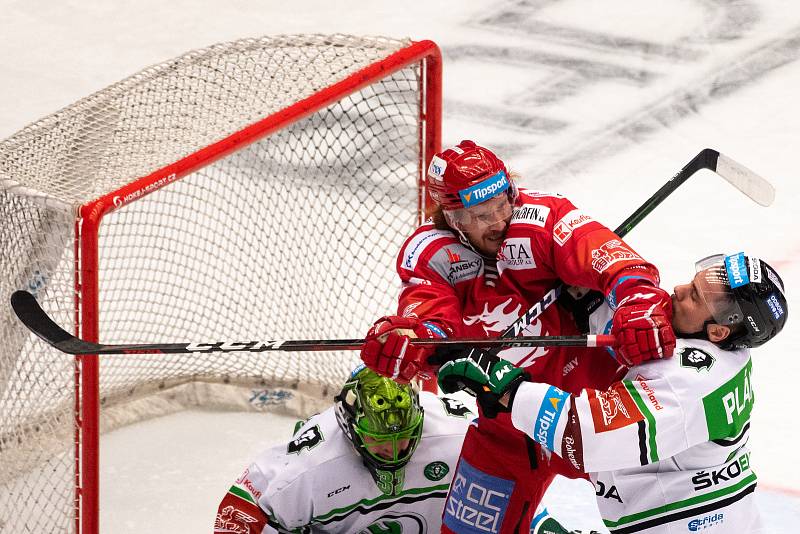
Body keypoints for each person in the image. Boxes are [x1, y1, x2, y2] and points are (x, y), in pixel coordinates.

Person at [359, 140, 676, 532]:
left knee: (659, 522)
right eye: (480, 214)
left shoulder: (543, 218)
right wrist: (412, 340)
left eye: (502, 203)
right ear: (453, 216)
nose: (498, 220)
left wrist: (638, 299)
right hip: (506, 418)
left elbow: (609, 258)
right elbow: (431, 316)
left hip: (593, 406)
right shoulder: (432, 254)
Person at [438, 252, 787, 533]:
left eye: (695, 296)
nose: (679, 289)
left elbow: (589, 435)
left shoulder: (689, 380)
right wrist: (595, 301)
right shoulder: (726, 353)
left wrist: (509, 389)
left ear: (719, 332)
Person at [214, 364, 474, 533]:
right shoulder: (311, 464)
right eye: (377, 439)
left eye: (404, 437)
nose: (392, 450)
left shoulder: (458, 435)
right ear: (349, 426)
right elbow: (240, 513)